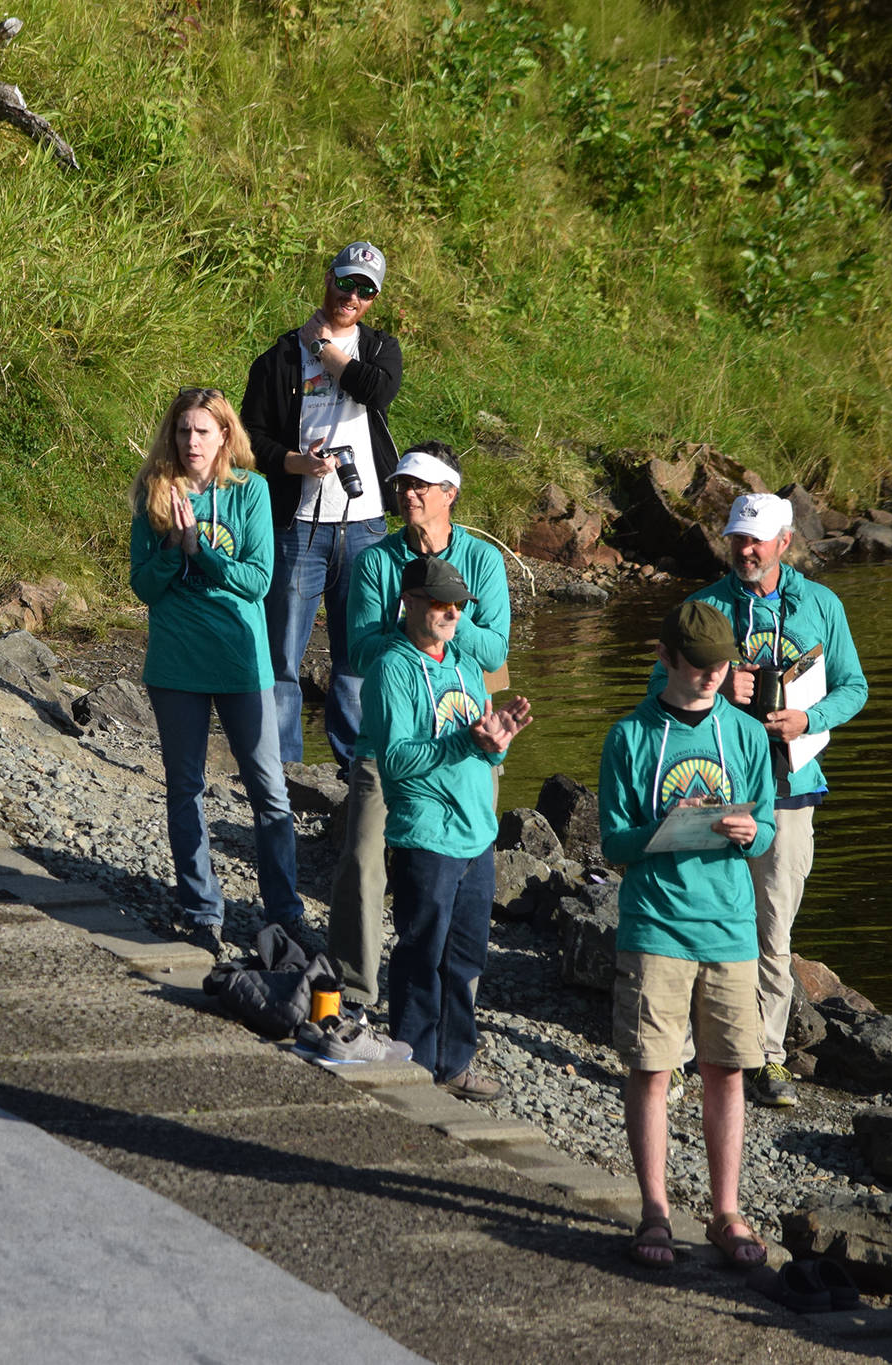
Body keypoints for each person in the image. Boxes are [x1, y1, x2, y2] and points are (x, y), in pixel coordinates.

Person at [649, 493, 868, 1108]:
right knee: (706, 916)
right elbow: (655, 685)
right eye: (736, 539)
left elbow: (854, 686)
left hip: (792, 790)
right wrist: (721, 690)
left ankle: (768, 1056)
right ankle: (690, 1050)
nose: (744, 550)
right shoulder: (702, 607)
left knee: (773, 927)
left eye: (756, 540)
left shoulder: (822, 604)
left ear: (784, 541)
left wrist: (810, 718)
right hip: (715, 785)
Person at [605, 601, 776, 1271]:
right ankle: (655, 1209)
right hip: (656, 926)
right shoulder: (630, 736)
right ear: (668, 657)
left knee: (726, 1071)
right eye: (700, 664)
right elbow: (614, 842)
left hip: (730, 928)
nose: (713, 676)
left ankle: (726, 1210)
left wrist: (748, 831)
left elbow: (763, 827)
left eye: (723, 664)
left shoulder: (748, 735)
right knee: (651, 1071)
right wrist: (662, 830)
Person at [331, 443, 509, 1012]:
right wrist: (432, 626)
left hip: (467, 742)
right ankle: (355, 985)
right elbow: (359, 651)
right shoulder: (374, 561)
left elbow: (496, 651)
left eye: (420, 487)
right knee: (362, 860)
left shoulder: (483, 561)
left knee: (465, 870)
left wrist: (438, 621)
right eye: (402, 485)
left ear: (449, 495)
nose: (407, 494)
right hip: (388, 738)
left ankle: (457, 1001)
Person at [126, 388, 302, 952]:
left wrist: (201, 549)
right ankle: (203, 910)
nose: (191, 441)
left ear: (226, 435)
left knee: (268, 790)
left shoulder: (251, 492)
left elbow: (258, 581)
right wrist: (174, 550)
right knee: (185, 788)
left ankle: (284, 911)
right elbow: (143, 586)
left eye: (203, 431)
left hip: (241, 662)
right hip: (176, 663)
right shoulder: (155, 491)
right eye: (182, 431)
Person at [362, 557, 531, 1100]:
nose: (451, 612)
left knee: (465, 959)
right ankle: (413, 1064)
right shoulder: (393, 667)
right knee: (420, 954)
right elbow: (395, 759)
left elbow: (476, 744)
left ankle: (454, 1063)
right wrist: (466, 742)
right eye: (439, 602)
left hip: (476, 835)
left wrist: (497, 739)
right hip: (424, 837)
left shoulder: (461, 662)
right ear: (409, 601)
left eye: (457, 603)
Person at [239, 241, 402, 768]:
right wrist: (294, 462)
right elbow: (250, 437)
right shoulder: (281, 357)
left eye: (365, 289)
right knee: (284, 657)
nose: (352, 295)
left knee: (356, 656)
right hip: (297, 526)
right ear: (327, 278)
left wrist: (330, 353)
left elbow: (377, 392)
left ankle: (354, 773)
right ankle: (280, 771)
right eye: (346, 281)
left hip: (365, 526)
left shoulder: (379, 350)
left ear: (374, 299)